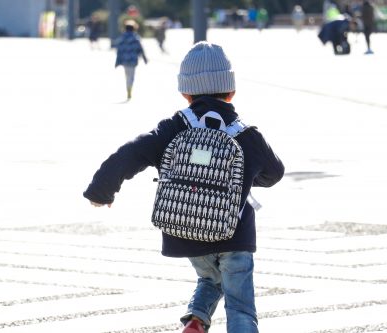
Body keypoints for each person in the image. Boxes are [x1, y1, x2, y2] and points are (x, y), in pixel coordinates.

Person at [83, 42, 285, 333]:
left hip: (187, 228)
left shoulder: (173, 128)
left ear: (185, 93)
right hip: (235, 234)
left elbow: (131, 152)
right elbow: (274, 173)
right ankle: (202, 321)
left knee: (209, 278)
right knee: (240, 306)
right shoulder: (245, 134)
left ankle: (195, 320)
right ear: (231, 91)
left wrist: (101, 191)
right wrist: (243, 176)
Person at [114, 20, 148, 100]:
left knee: (127, 75)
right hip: (133, 59)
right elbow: (140, 49)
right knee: (132, 76)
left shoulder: (122, 38)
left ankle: (128, 88)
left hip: (125, 59)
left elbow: (119, 49)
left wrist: (117, 61)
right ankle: (130, 88)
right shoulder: (136, 37)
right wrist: (144, 58)